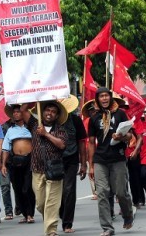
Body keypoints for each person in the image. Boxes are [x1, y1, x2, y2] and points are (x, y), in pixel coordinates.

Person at [88, 87, 134, 236]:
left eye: (106, 96)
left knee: (121, 192)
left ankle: (128, 215)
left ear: (111, 98)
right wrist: (90, 165)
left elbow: (130, 136)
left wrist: (121, 137)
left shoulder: (120, 114)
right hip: (100, 160)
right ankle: (107, 228)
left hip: (118, 158)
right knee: (102, 193)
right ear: (97, 99)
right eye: (101, 96)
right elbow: (90, 142)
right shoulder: (94, 118)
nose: (104, 99)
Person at [22, 101, 68, 236]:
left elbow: (62, 145)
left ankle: (51, 231)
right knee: (41, 204)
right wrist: (35, 96)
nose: (50, 113)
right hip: (37, 169)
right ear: (42, 111)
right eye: (47, 110)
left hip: (54, 170)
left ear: (57, 115)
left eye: (53, 112)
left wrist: (46, 134)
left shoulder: (60, 129)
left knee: (51, 202)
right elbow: (24, 110)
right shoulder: (35, 124)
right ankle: (50, 217)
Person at [1, 104, 36, 224]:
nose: (16, 114)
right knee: (18, 188)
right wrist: (4, 165)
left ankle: (31, 213)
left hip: (29, 160)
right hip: (15, 161)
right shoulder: (10, 130)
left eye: (18, 112)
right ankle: (25, 214)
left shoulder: (30, 127)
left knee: (27, 188)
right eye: (14, 112)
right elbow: (5, 148)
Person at [58, 95, 88, 233]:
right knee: (56, 193)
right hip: (54, 161)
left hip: (71, 159)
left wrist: (83, 164)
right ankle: (61, 213)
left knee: (69, 190)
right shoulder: (51, 120)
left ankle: (67, 223)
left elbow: (82, 143)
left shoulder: (75, 120)